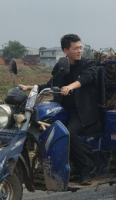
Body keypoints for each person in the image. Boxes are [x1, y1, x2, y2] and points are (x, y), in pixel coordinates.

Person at [20, 34, 101, 184]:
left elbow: (85, 78)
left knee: (69, 133)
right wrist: (29, 87)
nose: (79, 51)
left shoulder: (88, 64)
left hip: (83, 113)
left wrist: (70, 87)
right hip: (63, 110)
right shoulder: (61, 67)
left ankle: (85, 171)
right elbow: (50, 85)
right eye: (75, 48)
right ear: (65, 51)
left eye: (80, 47)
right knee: (44, 127)